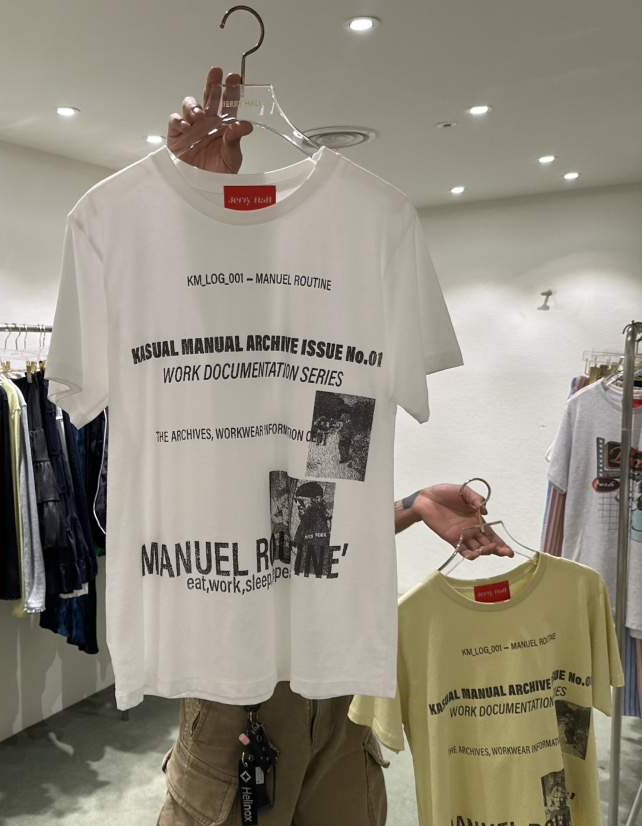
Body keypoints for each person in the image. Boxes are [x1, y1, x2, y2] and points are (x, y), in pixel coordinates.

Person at [158, 70, 514, 826]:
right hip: (239, 689)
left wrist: (415, 505)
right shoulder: (188, 377)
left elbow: (308, 528)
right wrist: (194, 209)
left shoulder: (334, 382)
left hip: (341, 678)